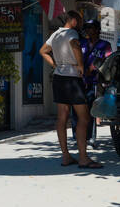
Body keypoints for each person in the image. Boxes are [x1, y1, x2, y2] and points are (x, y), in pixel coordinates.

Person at [40, 11, 100, 168]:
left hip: (59, 77)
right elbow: (75, 46)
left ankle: (66, 156)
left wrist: (55, 65)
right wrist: (81, 66)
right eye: (79, 21)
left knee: (62, 117)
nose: (81, 25)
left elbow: (43, 51)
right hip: (72, 79)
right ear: (73, 21)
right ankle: (83, 158)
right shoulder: (71, 33)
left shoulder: (56, 34)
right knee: (84, 117)